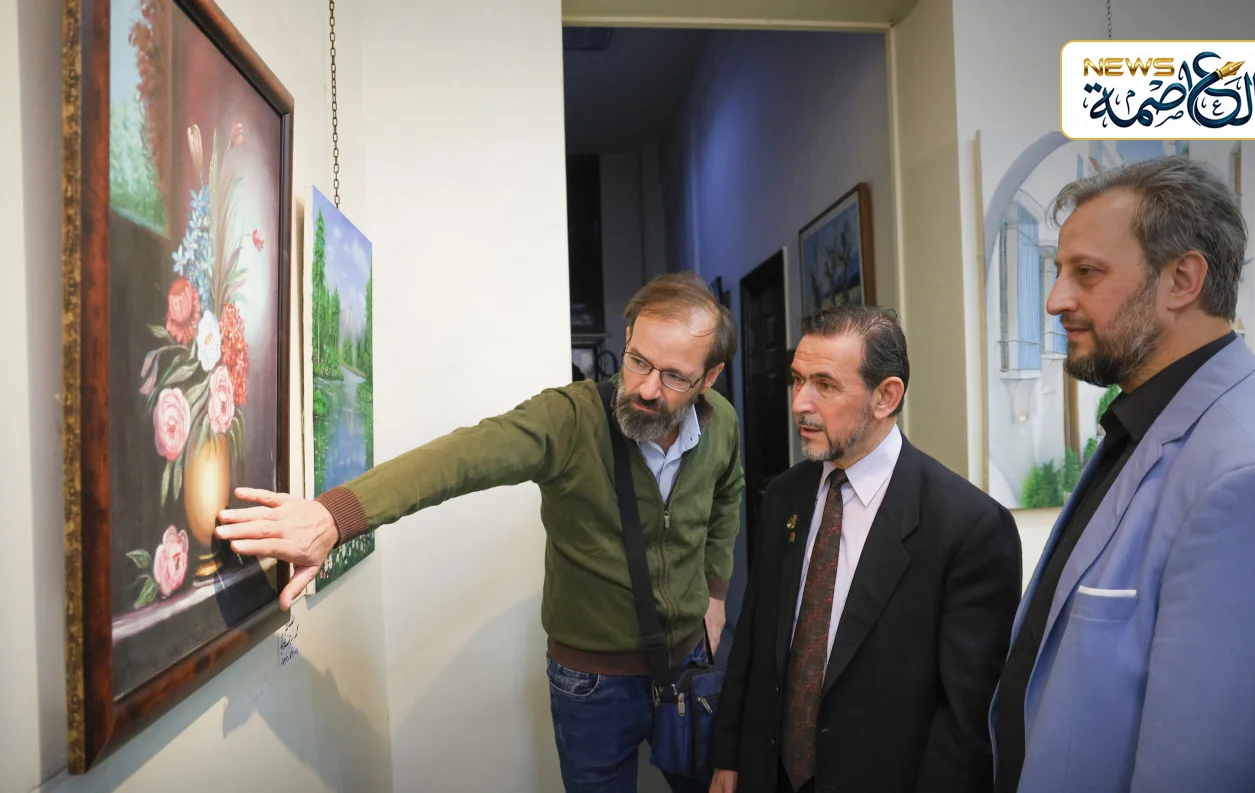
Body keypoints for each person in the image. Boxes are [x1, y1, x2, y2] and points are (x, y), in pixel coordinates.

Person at [217, 272, 746, 793]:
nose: (647, 388)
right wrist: (333, 518)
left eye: (674, 377)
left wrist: (716, 592)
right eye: (638, 362)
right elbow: (459, 459)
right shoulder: (567, 420)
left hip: (688, 664)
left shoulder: (720, 423)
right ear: (627, 338)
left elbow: (728, 491)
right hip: (592, 684)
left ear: (710, 377)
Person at [990, 156, 1255, 793]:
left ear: (1182, 279)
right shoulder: (1144, 420)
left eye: (1086, 273)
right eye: (1058, 271)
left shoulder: (1249, 473)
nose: (1055, 300)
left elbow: (1208, 770)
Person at [708, 305, 1023, 793]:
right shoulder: (786, 495)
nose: (800, 403)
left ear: (886, 396)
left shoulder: (969, 527)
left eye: (825, 385)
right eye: (797, 380)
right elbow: (754, 634)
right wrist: (729, 753)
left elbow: (967, 719)